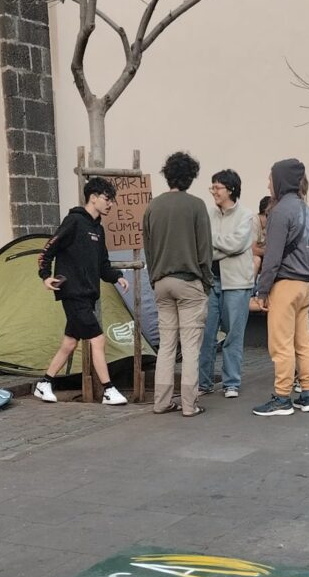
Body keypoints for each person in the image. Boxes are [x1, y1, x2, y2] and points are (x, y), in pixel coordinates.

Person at [33, 176, 130, 405]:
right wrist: (45, 276)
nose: (110, 204)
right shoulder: (74, 221)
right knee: (98, 339)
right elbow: (48, 249)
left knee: (69, 343)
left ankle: (44, 383)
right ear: (93, 198)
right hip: (72, 292)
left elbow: (103, 266)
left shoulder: (99, 229)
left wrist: (117, 277)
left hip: (88, 295)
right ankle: (109, 390)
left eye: (112, 200)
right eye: (107, 199)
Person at [143, 151, 213, 417]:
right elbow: (204, 250)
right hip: (189, 282)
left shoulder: (153, 206)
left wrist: (154, 278)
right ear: (190, 177)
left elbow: (148, 248)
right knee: (191, 346)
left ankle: (161, 402)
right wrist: (206, 283)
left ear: (167, 175)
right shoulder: (196, 205)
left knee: (167, 346)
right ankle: (189, 404)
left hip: (161, 282)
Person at [251, 158, 309, 416]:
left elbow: (272, 257)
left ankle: (282, 397)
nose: (268, 184)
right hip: (305, 283)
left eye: (271, 178)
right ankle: (307, 393)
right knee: (304, 342)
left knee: (281, 344)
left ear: (281, 180)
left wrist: (262, 290)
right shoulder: (305, 209)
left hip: (285, 283)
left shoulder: (280, 211)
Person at [198, 170, 257, 399]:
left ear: (231, 189)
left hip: (237, 282)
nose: (214, 191)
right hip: (210, 281)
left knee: (233, 334)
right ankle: (203, 383)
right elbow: (202, 246)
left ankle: (231, 382)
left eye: (218, 187)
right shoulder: (208, 214)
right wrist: (223, 248)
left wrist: (214, 244)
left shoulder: (246, 215)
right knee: (206, 334)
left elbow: (237, 244)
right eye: (212, 187)